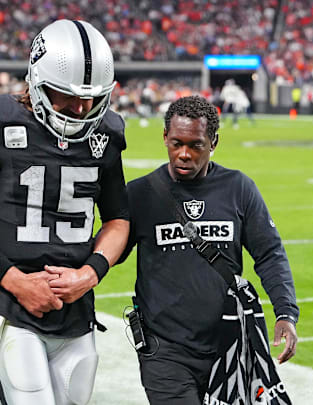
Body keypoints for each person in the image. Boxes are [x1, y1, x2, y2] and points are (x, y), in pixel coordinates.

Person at [0, 19, 130, 405]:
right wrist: (16, 282)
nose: (81, 107)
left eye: (92, 98)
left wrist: (89, 274)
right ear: (36, 81)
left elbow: (118, 220)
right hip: (12, 307)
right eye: (65, 95)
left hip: (77, 311)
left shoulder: (107, 135)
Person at [119, 96, 299, 404]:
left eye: (196, 145)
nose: (184, 154)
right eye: (176, 143)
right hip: (165, 350)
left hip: (229, 345)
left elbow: (269, 253)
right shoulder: (140, 193)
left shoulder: (239, 188)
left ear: (213, 142)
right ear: (164, 138)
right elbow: (110, 251)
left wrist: (286, 312)